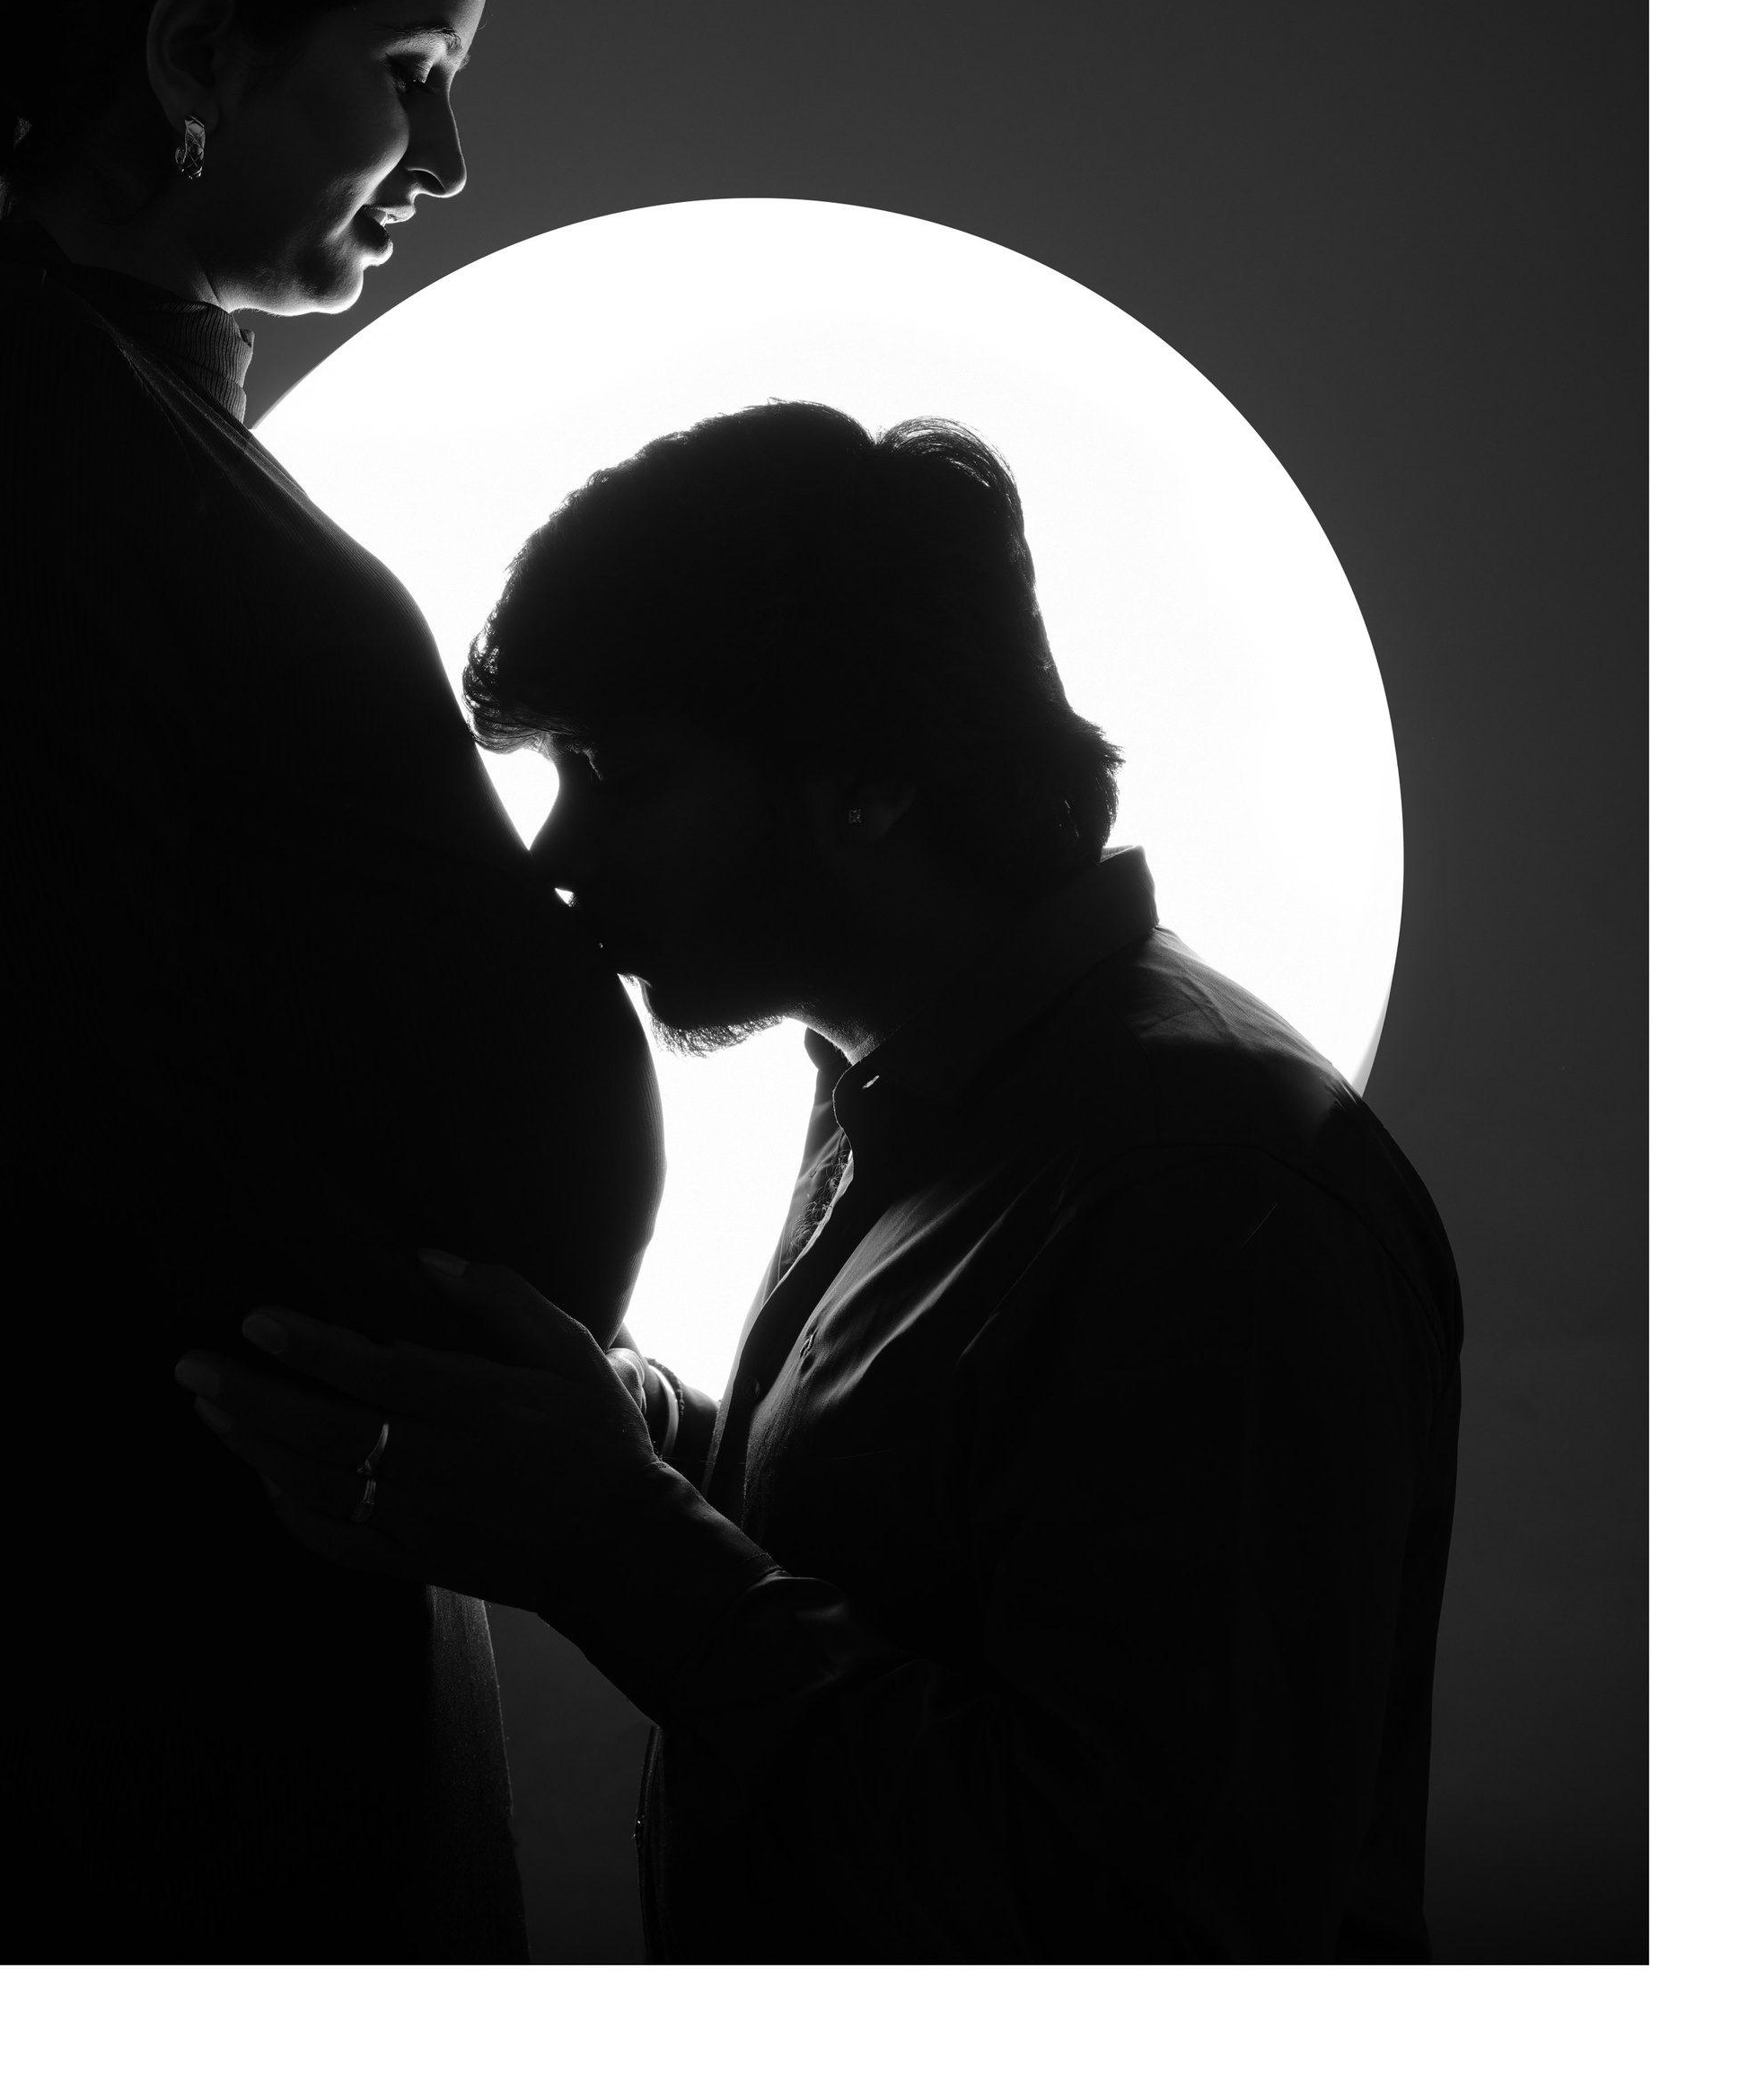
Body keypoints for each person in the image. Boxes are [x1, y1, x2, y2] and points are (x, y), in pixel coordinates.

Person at [0, 0, 663, 1963]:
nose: (446, 154)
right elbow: (70, 1063)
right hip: (85, 1492)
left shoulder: (113, 393)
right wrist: (492, 1406)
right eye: (402, 70)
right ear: (192, 50)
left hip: (230, 1456)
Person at [181, 401, 1464, 1961]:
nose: (553, 856)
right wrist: (609, 1429)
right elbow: (932, 1554)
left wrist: (610, 1545)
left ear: (868, 784)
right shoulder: (925, 1087)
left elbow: (1139, 1921)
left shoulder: (1213, 1198)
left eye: (615, 772)